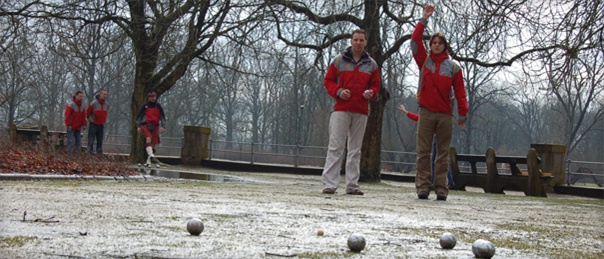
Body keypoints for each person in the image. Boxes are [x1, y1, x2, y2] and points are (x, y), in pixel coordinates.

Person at [410, 5, 468, 201]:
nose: (435, 45)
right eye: (433, 42)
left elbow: (460, 92)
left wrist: (462, 113)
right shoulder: (424, 61)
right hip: (426, 112)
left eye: (439, 43)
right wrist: (424, 19)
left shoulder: (453, 67)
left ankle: (441, 188)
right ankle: (423, 187)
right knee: (423, 152)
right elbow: (415, 40)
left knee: (442, 154)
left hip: (444, 115)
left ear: (444, 46)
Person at [321, 29, 381, 195]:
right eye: (355, 40)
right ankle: (329, 184)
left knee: (355, 150)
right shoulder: (339, 60)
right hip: (341, 109)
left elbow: (376, 85)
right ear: (351, 41)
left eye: (361, 40)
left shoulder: (372, 64)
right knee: (335, 147)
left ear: (365, 42)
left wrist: (371, 93)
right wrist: (339, 91)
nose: (358, 43)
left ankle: (352, 185)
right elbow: (328, 81)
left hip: (361, 110)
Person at [398, 104, 455, 187]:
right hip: (438, 137)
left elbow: (418, 119)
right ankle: (446, 180)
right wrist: (406, 112)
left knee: (437, 159)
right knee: (440, 159)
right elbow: (418, 119)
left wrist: (405, 112)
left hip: (438, 137)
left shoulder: (431, 116)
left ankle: (445, 181)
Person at [136, 90, 166, 167]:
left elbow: (162, 117)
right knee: (148, 139)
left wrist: (163, 126)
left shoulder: (158, 106)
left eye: (154, 96)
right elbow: (139, 117)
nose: (153, 98)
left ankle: (148, 160)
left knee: (154, 144)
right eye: (151, 97)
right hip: (146, 124)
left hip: (155, 126)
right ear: (148, 98)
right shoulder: (145, 106)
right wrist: (138, 126)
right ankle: (152, 156)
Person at [87, 89, 109, 155]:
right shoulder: (93, 103)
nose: (105, 96)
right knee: (91, 140)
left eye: (106, 94)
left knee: (100, 141)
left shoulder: (107, 104)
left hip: (101, 125)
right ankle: (89, 154)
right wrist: (91, 120)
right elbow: (88, 113)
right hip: (93, 124)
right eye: (104, 94)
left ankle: (99, 154)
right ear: (100, 95)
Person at [64, 91, 87, 155]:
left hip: (78, 127)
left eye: (82, 96)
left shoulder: (82, 106)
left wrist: (84, 124)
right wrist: (68, 125)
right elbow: (67, 115)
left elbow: (83, 116)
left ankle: (77, 155)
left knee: (78, 142)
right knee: (70, 141)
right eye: (80, 96)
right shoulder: (71, 105)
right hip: (71, 126)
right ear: (76, 96)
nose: (81, 97)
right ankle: (69, 155)